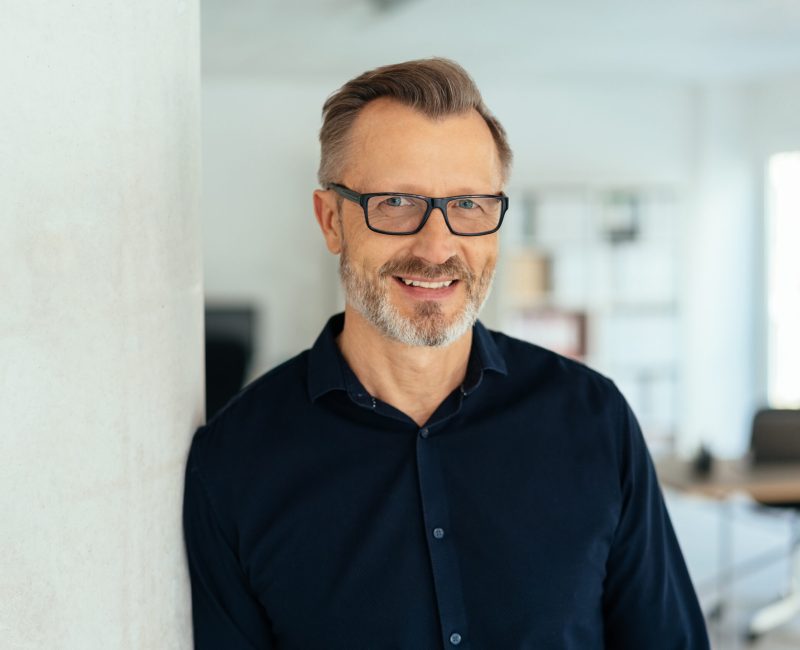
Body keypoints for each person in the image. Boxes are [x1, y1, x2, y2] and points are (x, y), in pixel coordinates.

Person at [183, 58, 709, 649]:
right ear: (331, 220)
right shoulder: (233, 461)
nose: (437, 248)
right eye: (396, 202)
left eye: (468, 205)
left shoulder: (593, 419)